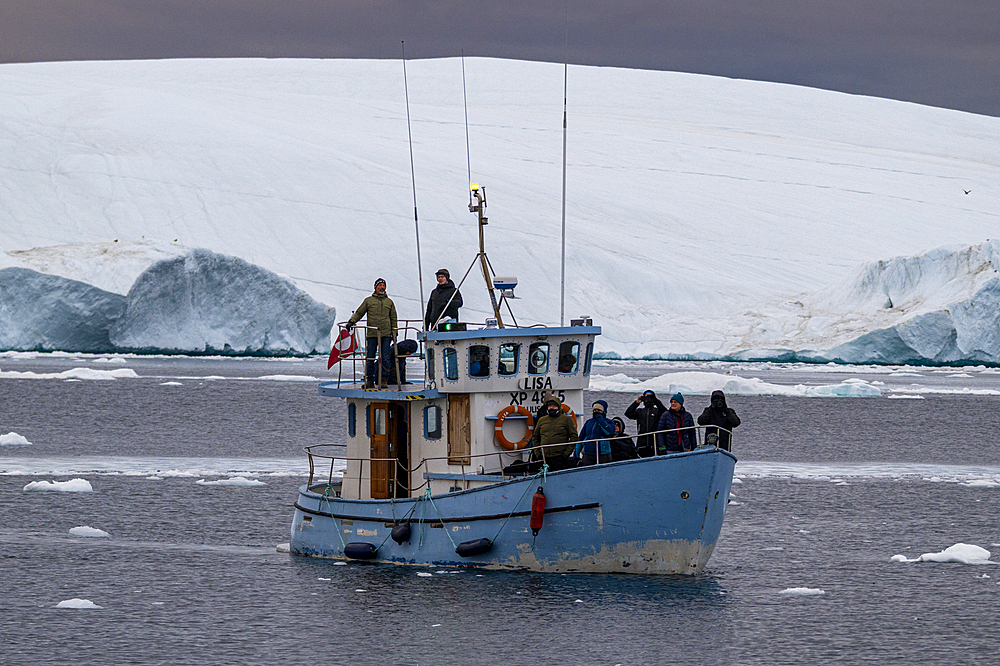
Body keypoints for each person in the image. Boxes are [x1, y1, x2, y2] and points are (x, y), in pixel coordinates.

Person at [346, 278, 397, 388]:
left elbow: (393, 318)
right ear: (375, 287)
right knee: (370, 358)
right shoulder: (368, 301)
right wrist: (351, 321)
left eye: (383, 285)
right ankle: (370, 380)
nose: (382, 287)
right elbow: (360, 312)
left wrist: (394, 332)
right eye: (380, 285)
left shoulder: (389, 302)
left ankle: (384, 380)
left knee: (385, 358)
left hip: (386, 334)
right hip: (372, 334)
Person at [527, 396, 578, 471]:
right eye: (550, 406)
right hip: (544, 457)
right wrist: (538, 454)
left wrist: (566, 454)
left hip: (559, 457)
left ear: (559, 407)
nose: (551, 408)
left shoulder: (566, 419)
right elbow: (535, 437)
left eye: (554, 406)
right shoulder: (542, 420)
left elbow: (574, 436)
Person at [624, 390, 667, 457]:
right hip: (642, 443)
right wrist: (636, 403)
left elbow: (666, 414)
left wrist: (656, 402)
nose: (648, 399)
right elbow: (628, 414)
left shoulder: (657, 411)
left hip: (655, 443)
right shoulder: (640, 412)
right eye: (646, 397)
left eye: (650, 397)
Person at [574, 400, 615, 465]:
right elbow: (581, 437)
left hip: (603, 453)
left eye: (599, 410)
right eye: (595, 410)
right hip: (588, 453)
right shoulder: (588, 422)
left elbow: (609, 433)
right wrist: (576, 452)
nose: (596, 412)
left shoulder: (609, 422)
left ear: (604, 411)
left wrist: (600, 420)